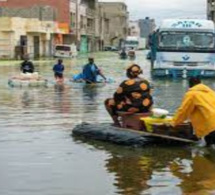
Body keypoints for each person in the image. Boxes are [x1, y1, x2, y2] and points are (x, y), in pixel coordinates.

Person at [173, 77, 215, 146]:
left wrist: (174, 122)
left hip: (211, 127)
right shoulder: (211, 92)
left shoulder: (192, 94)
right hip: (212, 124)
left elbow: (183, 111)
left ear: (190, 85)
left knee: (209, 148)